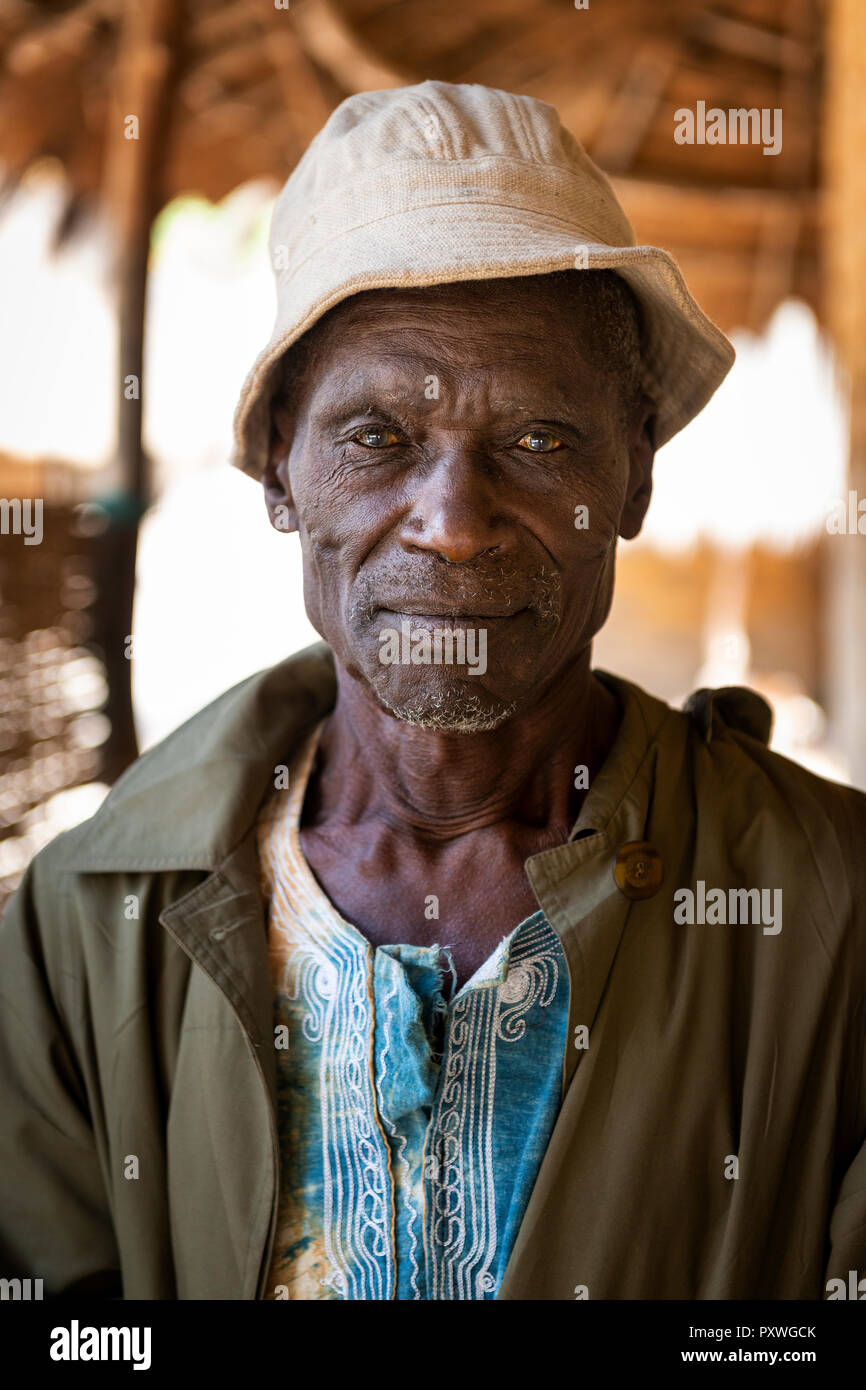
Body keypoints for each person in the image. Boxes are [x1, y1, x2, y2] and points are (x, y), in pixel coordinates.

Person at [1, 80, 864, 1302]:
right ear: (277, 474)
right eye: (375, 438)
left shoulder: (830, 912)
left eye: (539, 442)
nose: (453, 526)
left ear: (632, 481)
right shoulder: (83, 928)